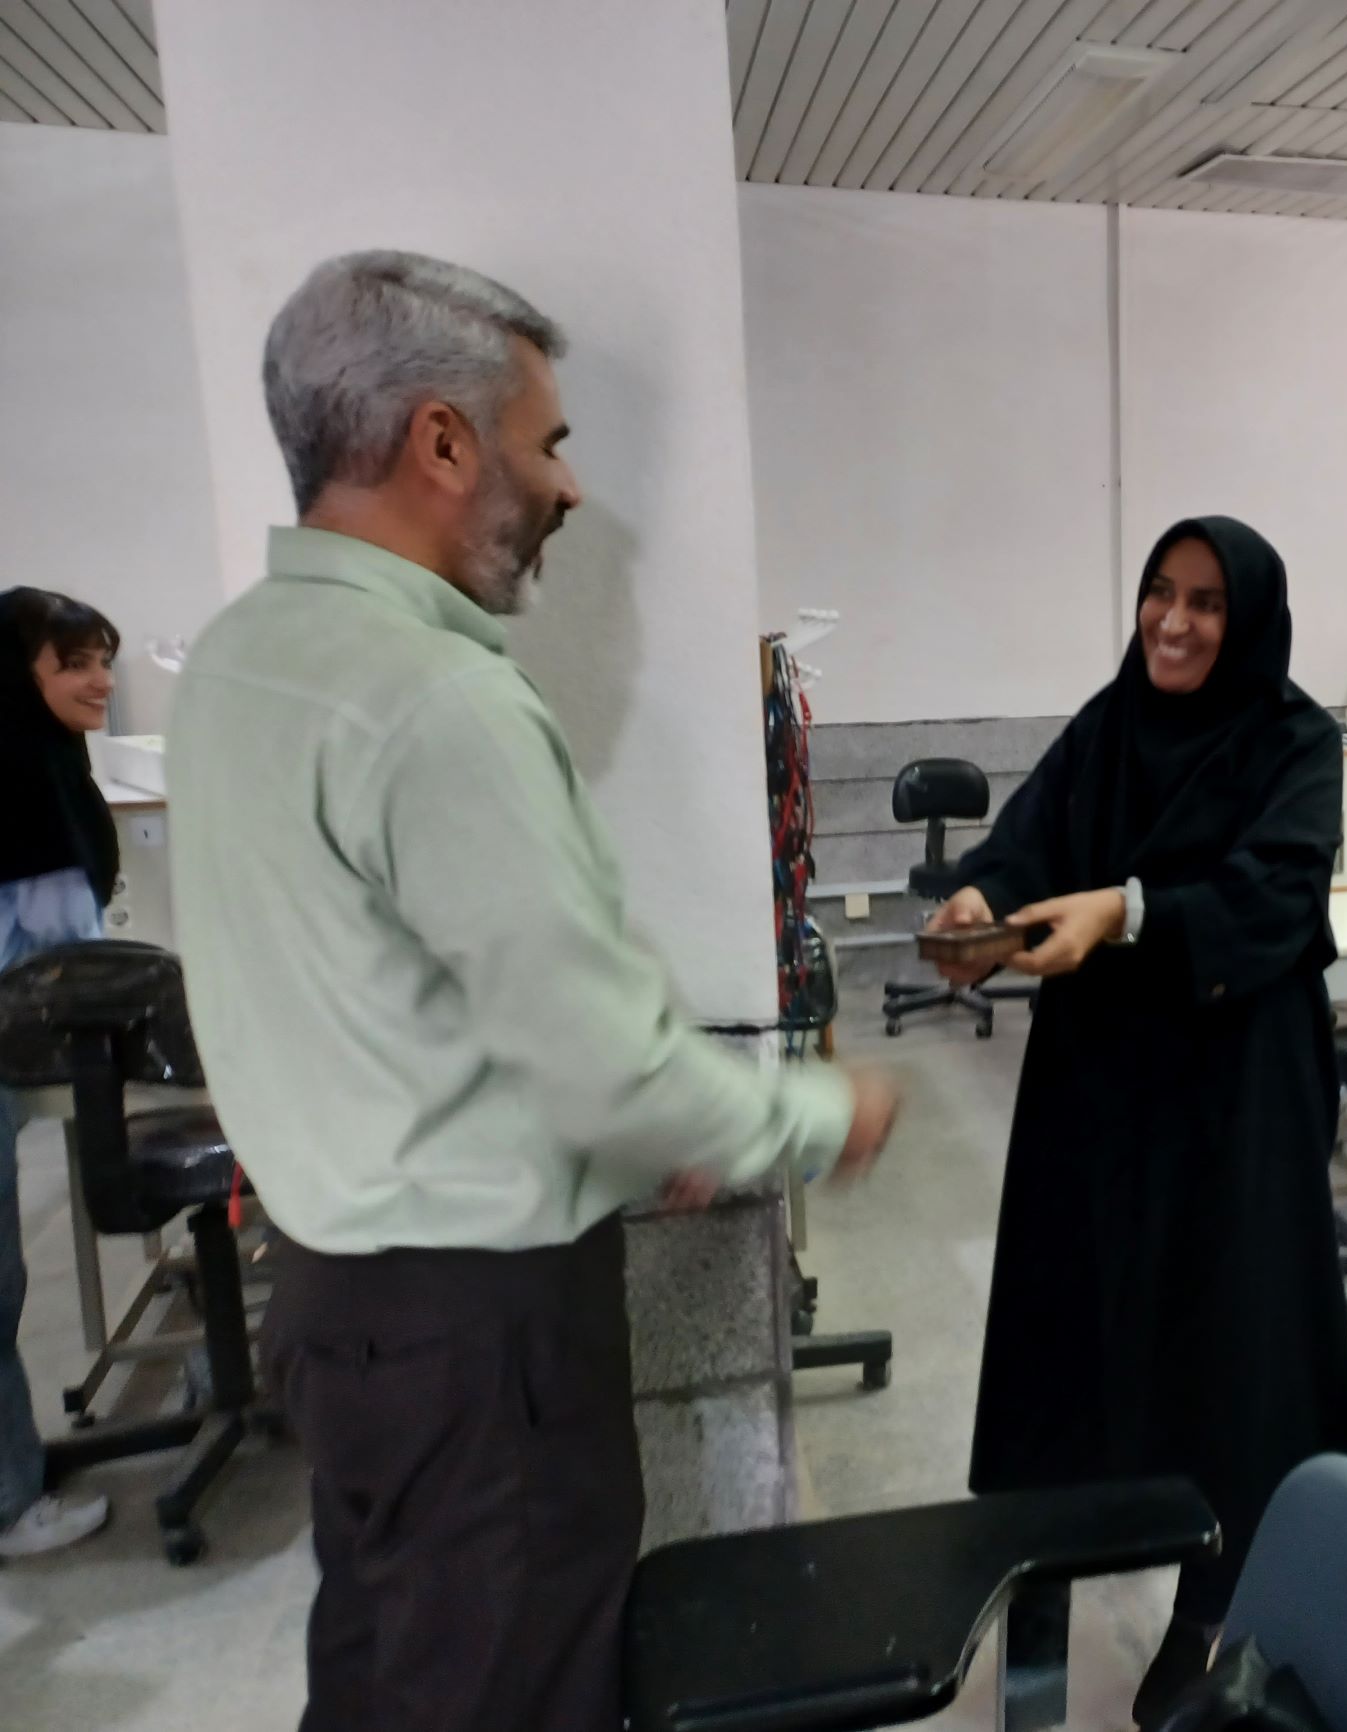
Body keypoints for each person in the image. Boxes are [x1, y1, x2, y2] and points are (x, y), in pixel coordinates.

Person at [167, 251, 897, 1732]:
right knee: (511, 1689)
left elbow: (396, 1005)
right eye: (548, 442)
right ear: (442, 442)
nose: (569, 487)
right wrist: (819, 1114)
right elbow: (599, 1056)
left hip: (336, 1299)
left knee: (384, 1667)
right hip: (476, 1344)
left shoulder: (241, 662)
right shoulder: (435, 700)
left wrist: (633, 1131)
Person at [928, 516, 1347, 1727]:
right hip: (1100, 1094)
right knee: (1081, 1324)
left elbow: (1271, 894)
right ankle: (1059, 1550)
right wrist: (981, 897)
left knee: (1230, 1350)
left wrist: (1121, 911)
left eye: (1205, 602)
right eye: (1158, 592)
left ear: (1249, 619)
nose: (1172, 622)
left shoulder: (1293, 741)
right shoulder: (1109, 724)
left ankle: (1217, 1609)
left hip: (1237, 1100)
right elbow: (1029, 839)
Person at [0, 588, 121, 1561]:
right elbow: (57, 954)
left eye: (103, 660)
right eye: (74, 663)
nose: (101, 681)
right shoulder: (21, 791)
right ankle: (10, 1502)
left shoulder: (45, 766)